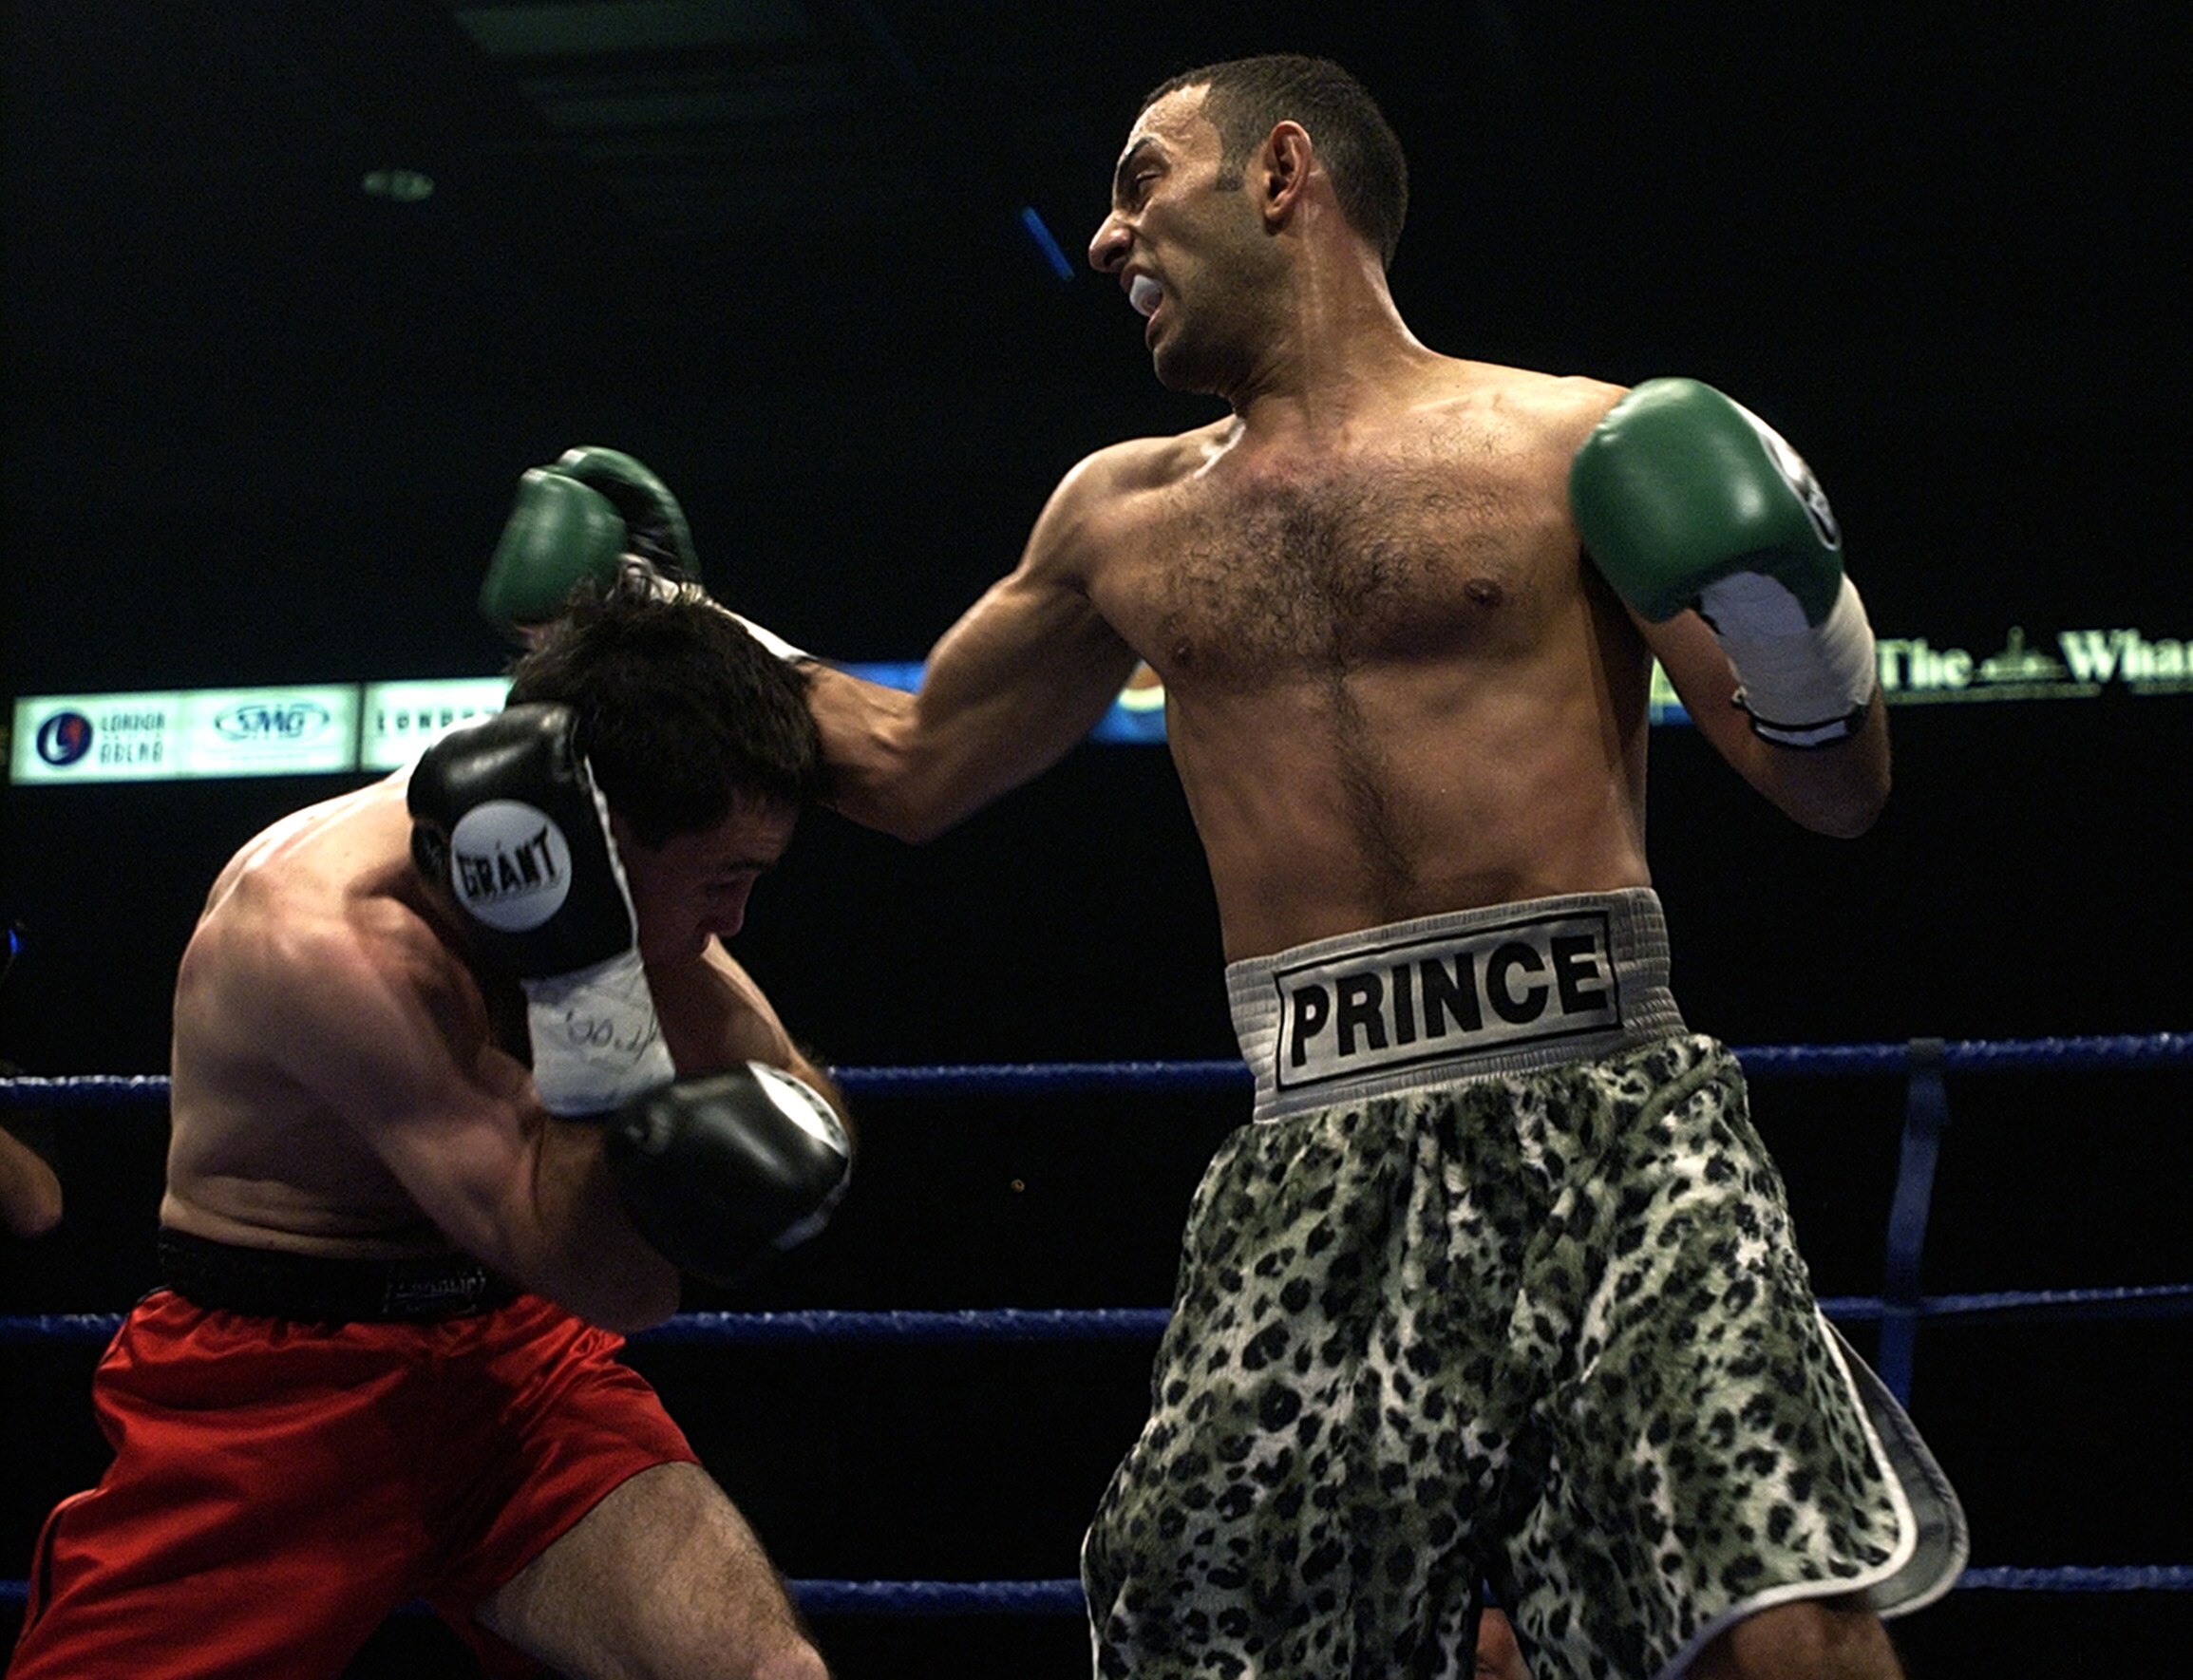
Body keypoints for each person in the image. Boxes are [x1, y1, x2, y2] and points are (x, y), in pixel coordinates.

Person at [482, 58, 1968, 1680]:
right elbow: (903, 766)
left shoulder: (1572, 446)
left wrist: (1792, 622)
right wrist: (664, 621)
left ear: (1278, 174)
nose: (1110, 235)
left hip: (1605, 1104)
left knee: (1775, 1596)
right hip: (1308, 1144)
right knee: (1205, 1623)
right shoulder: (1118, 517)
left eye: (1140, 180)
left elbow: (1830, 795)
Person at [9, 576, 852, 1680]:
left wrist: (626, 962)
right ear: (596, 838)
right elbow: (618, 1279)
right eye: (722, 878)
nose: (731, 922)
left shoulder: (600, 831)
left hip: (514, 1360)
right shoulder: (327, 939)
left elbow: (799, 1101)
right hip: (276, 1391)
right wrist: (587, 968)